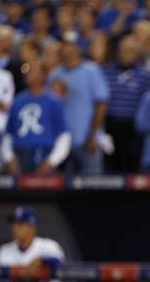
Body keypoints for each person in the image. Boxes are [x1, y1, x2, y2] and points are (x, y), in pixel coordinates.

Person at [49, 31, 109, 174]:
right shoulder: (55, 74)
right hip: (62, 142)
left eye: (71, 45)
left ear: (79, 48)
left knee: (92, 188)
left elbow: (101, 105)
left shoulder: (91, 70)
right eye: (64, 45)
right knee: (62, 190)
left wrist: (93, 135)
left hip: (86, 139)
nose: (67, 49)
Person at [0, 60, 71, 174]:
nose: (27, 73)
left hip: (44, 154)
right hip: (20, 156)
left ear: (43, 75)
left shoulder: (53, 101)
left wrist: (51, 161)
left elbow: (64, 135)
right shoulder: (18, 100)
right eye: (27, 70)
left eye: (32, 70)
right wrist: (9, 159)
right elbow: (8, 134)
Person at [103, 35, 150, 172]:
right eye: (122, 50)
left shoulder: (143, 75)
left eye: (129, 51)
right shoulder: (106, 72)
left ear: (136, 53)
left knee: (131, 168)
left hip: (132, 127)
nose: (125, 54)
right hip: (110, 126)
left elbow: (145, 102)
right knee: (109, 168)